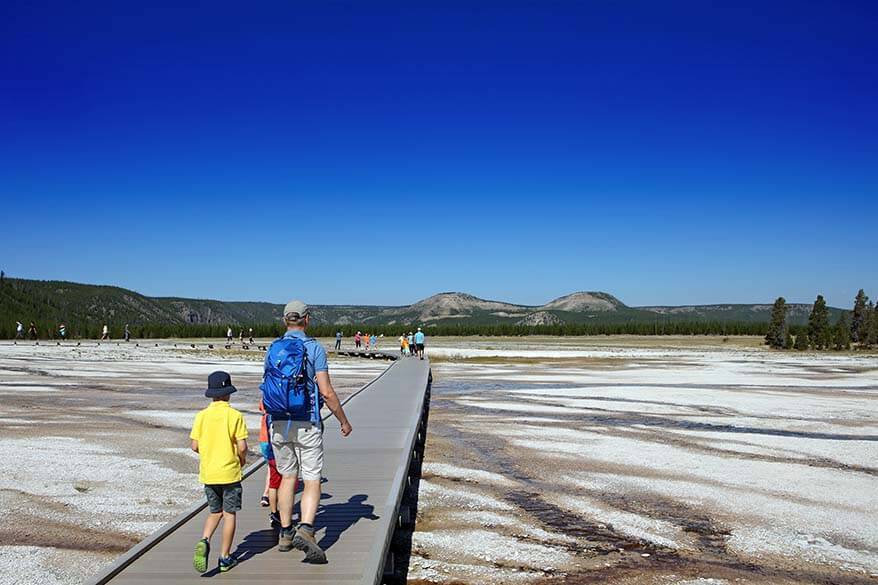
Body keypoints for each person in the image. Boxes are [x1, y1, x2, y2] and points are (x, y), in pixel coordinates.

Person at [264, 300, 352, 564]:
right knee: (312, 478)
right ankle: (307, 528)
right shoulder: (314, 348)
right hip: (308, 421)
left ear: (284, 321)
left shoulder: (273, 348)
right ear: (307, 319)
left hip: (278, 421)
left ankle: (285, 533)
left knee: (288, 477)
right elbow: (326, 391)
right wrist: (343, 420)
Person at [190, 371, 248, 573]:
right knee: (229, 514)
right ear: (228, 393)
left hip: (209, 473)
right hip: (230, 473)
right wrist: (242, 460)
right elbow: (242, 446)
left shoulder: (201, 416)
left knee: (215, 512)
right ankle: (224, 557)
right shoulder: (234, 415)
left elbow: (194, 446)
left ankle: (204, 540)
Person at [258, 399, 285, 529]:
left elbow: (260, 406)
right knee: (288, 481)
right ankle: (285, 516)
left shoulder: (266, 415)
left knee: (273, 481)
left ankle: (274, 512)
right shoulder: (281, 414)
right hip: (282, 451)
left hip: (267, 445)